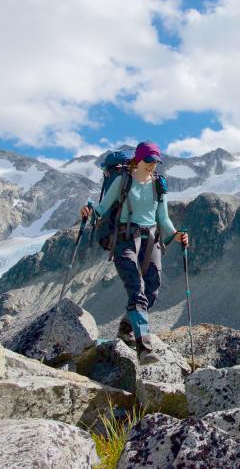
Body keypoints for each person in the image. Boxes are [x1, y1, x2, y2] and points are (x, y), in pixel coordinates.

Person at [80, 141, 188, 364]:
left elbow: (164, 219)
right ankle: (144, 348)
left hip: (151, 239)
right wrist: (89, 210)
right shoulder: (122, 181)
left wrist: (177, 235)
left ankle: (127, 326)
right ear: (138, 159)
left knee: (153, 288)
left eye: (155, 162)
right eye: (148, 161)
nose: (152, 166)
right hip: (125, 238)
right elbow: (102, 208)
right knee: (136, 287)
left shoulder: (159, 185)